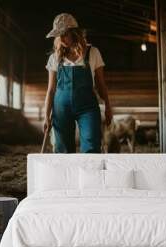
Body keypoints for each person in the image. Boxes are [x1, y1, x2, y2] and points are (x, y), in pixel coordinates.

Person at [43, 13, 113, 153]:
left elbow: (101, 84)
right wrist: (46, 115)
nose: (61, 39)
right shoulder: (55, 57)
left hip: (87, 107)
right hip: (61, 108)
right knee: (63, 150)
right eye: (58, 35)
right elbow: (51, 90)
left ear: (74, 33)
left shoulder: (93, 53)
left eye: (64, 34)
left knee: (91, 147)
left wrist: (108, 106)